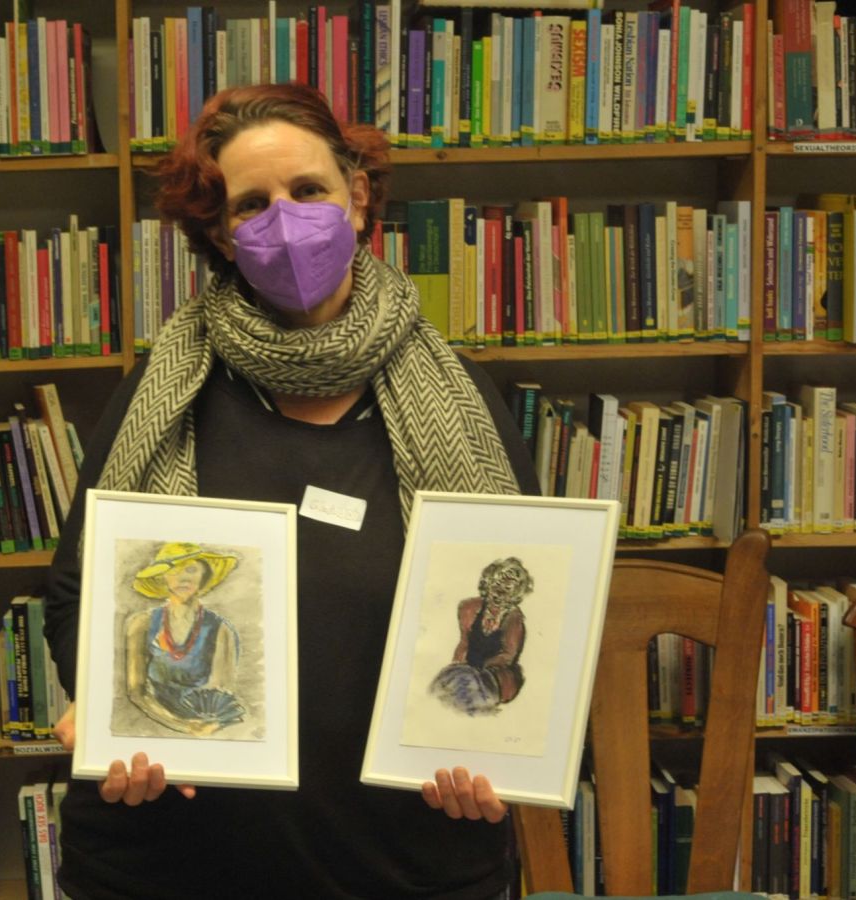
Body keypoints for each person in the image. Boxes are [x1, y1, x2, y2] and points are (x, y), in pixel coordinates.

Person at [44, 82, 539, 899]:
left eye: (308, 190)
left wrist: (492, 745)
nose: (285, 220)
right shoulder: (162, 393)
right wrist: (115, 710)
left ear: (358, 196)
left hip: (406, 857)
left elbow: (536, 600)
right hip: (178, 855)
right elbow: (76, 593)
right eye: (251, 204)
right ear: (222, 235)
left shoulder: (460, 399)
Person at [122, 542, 244, 737]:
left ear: (204, 576)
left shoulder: (221, 630)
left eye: (191, 570)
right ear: (163, 577)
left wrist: (200, 728)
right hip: (154, 726)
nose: (184, 577)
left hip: (207, 730)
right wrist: (183, 726)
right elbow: (136, 692)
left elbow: (220, 693)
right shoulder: (141, 625)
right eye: (174, 570)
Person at [431, 557, 533, 717]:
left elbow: (508, 657)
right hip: (468, 668)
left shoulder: (514, 619)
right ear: (488, 584)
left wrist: (477, 669)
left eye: (507, 589)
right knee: (443, 685)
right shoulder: (469, 608)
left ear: (515, 594)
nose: (499, 592)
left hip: (497, 674)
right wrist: (457, 667)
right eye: (497, 585)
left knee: (469, 692)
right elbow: (464, 642)